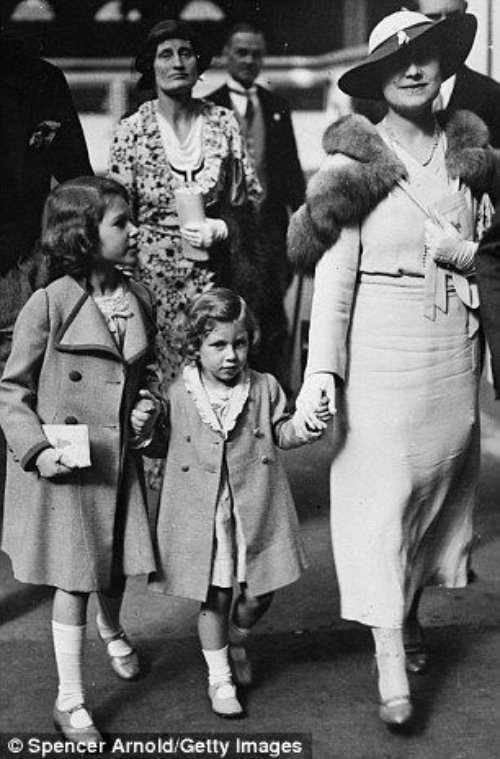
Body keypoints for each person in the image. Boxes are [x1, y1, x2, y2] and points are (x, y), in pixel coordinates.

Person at [288, 10, 495, 728]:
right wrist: (322, 374)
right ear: (377, 79)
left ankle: (406, 616)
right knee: (378, 502)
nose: (413, 71)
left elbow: (489, 256)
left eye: (426, 57)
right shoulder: (353, 168)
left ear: (443, 66)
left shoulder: (473, 158)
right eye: (396, 63)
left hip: (450, 352)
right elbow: (335, 281)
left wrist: (470, 257)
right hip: (379, 353)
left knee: (433, 496)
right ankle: (388, 666)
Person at [0, 176, 164, 745]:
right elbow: (11, 390)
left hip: (119, 463)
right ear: (84, 236)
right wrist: (37, 450)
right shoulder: (50, 303)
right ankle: (70, 701)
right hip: (67, 466)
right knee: (74, 578)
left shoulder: (137, 297)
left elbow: (148, 379)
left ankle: (112, 625)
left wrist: (148, 408)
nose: (135, 230)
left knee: (116, 564)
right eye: (122, 222)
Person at [149, 287, 328, 718]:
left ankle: (235, 639)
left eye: (240, 343)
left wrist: (305, 425)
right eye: (218, 345)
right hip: (206, 513)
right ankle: (219, 677)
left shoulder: (263, 387)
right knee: (215, 596)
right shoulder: (180, 394)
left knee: (259, 594)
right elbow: (159, 446)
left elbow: (282, 431)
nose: (231, 355)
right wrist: (144, 429)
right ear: (196, 346)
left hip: (255, 505)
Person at [108, 19, 261, 390]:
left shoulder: (223, 122)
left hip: (213, 278)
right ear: (151, 65)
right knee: (158, 389)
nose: (177, 63)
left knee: (213, 383)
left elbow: (250, 200)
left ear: (199, 64)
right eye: (166, 54)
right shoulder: (132, 129)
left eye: (186, 53)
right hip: (149, 286)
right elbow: (116, 215)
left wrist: (222, 226)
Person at [0, 34, 93, 519]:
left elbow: (78, 180)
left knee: (22, 400)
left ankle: (23, 536)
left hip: (24, 271)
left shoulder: (42, 79)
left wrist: (58, 260)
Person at [208, 23, 306, 388]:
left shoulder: (276, 106)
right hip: (228, 233)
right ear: (227, 55)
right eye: (241, 52)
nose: (249, 60)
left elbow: (292, 172)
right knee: (231, 312)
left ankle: (273, 393)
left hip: (271, 232)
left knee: (272, 316)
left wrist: (306, 221)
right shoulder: (209, 107)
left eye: (256, 54)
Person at [412, 0, 500, 147]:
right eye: (433, 17)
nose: (445, 26)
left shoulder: (492, 96)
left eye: (453, 15)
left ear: (465, 10)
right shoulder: (379, 99)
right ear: (408, 14)